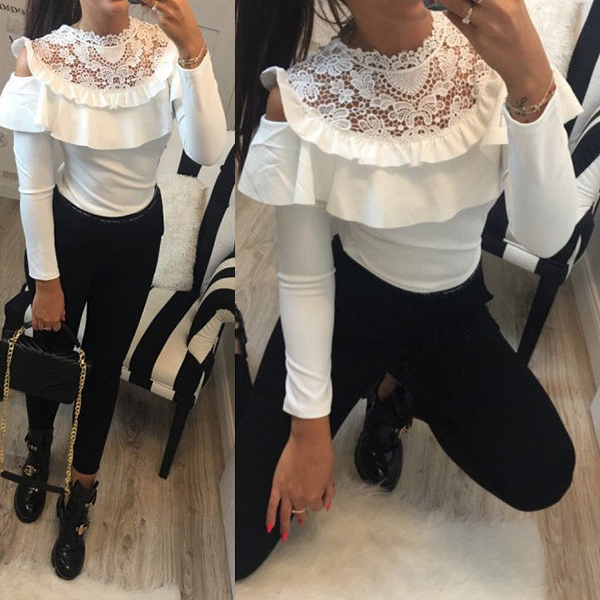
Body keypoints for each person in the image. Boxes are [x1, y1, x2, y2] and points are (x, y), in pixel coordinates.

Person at [235, 0, 590, 581]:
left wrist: (530, 77)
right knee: (241, 542)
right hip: (351, 305)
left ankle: (395, 391)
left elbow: (546, 239)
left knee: (544, 470)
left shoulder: (495, 53)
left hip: (451, 310)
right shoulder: (300, 97)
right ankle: (377, 378)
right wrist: (308, 427)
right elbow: (304, 275)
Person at [0, 0, 227, 580]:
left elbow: (207, 151)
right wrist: (45, 281)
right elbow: (33, 187)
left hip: (137, 238)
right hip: (67, 234)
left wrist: (193, 48)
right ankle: (37, 450)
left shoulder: (164, 53)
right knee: (50, 349)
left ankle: (81, 494)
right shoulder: (41, 60)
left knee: (104, 368)